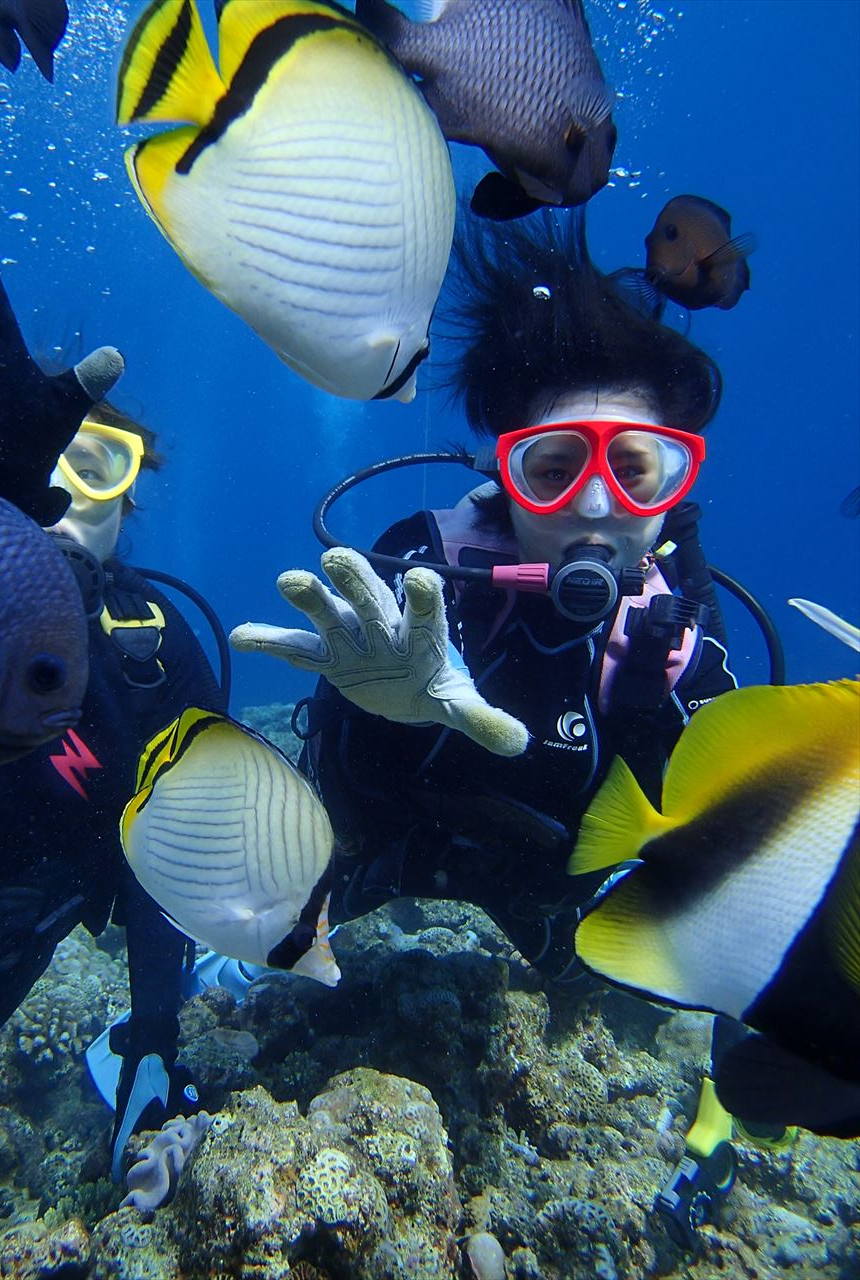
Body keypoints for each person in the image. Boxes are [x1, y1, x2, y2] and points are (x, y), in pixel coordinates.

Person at [230, 211, 773, 1245]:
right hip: (384, 890)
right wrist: (375, 712)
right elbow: (328, 804)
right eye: (554, 465)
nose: (598, 506)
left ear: (673, 491)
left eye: (641, 469)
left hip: (558, 923)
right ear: (505, 471)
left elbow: (727, 874)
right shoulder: (421, 572)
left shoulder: (677, 644)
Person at [0, 233, 221, 1179]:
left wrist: (153, 1045)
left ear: (133, 498)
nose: (64, 496)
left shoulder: (155, 657)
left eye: (98, 464)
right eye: (40, 470)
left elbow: (168, 872)